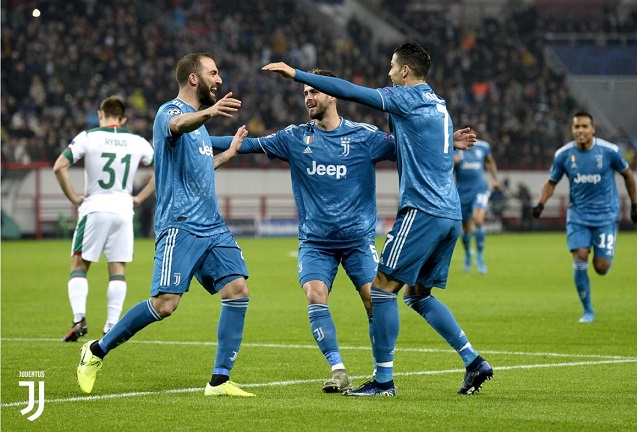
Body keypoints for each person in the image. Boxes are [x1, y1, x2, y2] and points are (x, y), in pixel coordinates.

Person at [262, 41, 493, 396]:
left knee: (383, 289)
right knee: (418, 295)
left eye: (391, 67)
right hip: (449, 212)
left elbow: (351, 92)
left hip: (422, 210)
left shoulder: (406, 97)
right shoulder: (439, 105)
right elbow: (421, 141)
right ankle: (474, 361)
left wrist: (296, 74)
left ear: (404, 71)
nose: (388, 73)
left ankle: (383, 381)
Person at [76, 53, 256, 397]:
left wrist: (228, 154)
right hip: (181, 225)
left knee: (237, 290)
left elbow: (201, 166)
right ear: (193, 78)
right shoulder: (169, 113)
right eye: (213, 73)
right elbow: (177, 126)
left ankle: (219, 381)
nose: (219, 80)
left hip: (212, 227)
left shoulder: (200, 128)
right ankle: (95, 351)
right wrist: (209, 113)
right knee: (165, 304)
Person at [212, 69, 397, 393]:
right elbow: (247, 144)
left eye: (314, 92)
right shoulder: (294, 138)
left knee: (374, 300)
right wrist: (194, 138)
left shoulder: (364, 137)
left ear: (332, 93)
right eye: (305, 94)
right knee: (315, 294)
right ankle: (338, 370)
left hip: (357, 240)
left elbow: (407, 148)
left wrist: (446, 142)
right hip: (316, 242)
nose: (309, 98)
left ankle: (383, 376)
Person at [53, 96, 155, 341]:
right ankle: (111, 326)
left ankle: (79, 320)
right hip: (123, 210)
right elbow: (161, 170)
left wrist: (73, 197)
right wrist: (140, 198)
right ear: (123, 119)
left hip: (95, 208)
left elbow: (59, 166)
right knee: (118, 269)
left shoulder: (88, 136)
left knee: (79, 265)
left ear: (101, 114)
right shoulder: (137, 141)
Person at [532, 112, 637, 323]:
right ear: (572, 130)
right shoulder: (563, 155)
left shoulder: (609, 152)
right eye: (576, 127)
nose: (580, 131)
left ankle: (604, 254)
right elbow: (551, 182)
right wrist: (540, 204)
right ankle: (588, 310)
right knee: (580, 256)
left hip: (606, 215)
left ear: (593, 129)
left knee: (601, 267)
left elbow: (628, 175)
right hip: (578, 216)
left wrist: (635, 205)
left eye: (584, 126)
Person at [453, 139, 500, 273]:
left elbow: (490, 161)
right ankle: (468, 253)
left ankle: (480, 257)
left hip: (480, 189)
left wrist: (496, 179)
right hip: (462, 193)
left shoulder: (483, 147)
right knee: (466, 227)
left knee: (478, 220)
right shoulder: (456, 148)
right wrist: (453, 162)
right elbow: (446, 166)